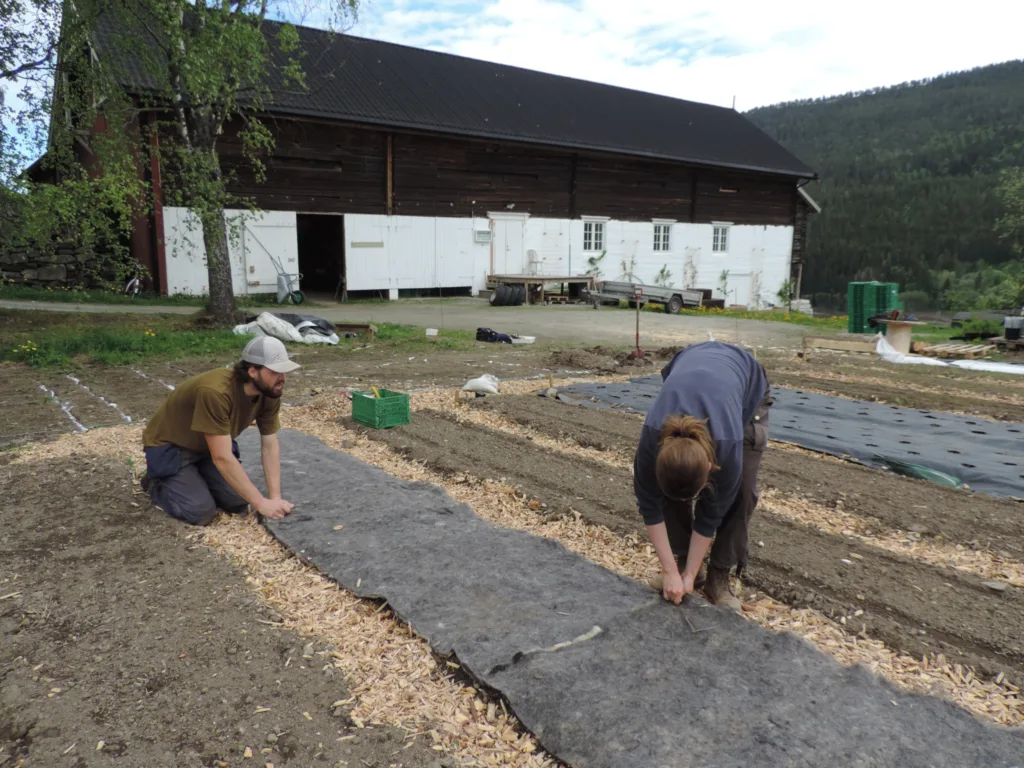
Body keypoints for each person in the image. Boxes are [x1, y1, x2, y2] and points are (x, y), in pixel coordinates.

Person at [633, 341, 772, 611]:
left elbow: (712, 513)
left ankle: (718, 575)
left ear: (710, 467)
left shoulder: (728, 447)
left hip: (745, 384)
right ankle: (686, 564)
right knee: (673, 484)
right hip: (689, 364)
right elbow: (650, 506)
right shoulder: (651, 440)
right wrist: (673, 572)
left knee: (740, 493)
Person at [140, 336, 300, 526]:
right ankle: (155, 482)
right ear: (252, 371)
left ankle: (197, 475)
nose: (282, 378)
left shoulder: (270, 392)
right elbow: (222, 457)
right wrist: (260, 503)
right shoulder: (216, 392)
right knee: (200, 512)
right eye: (275, 372)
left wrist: (274, 498)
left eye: (284, 371)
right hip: (172, 447)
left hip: (206, 448)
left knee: (238, 501)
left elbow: (270, 445)